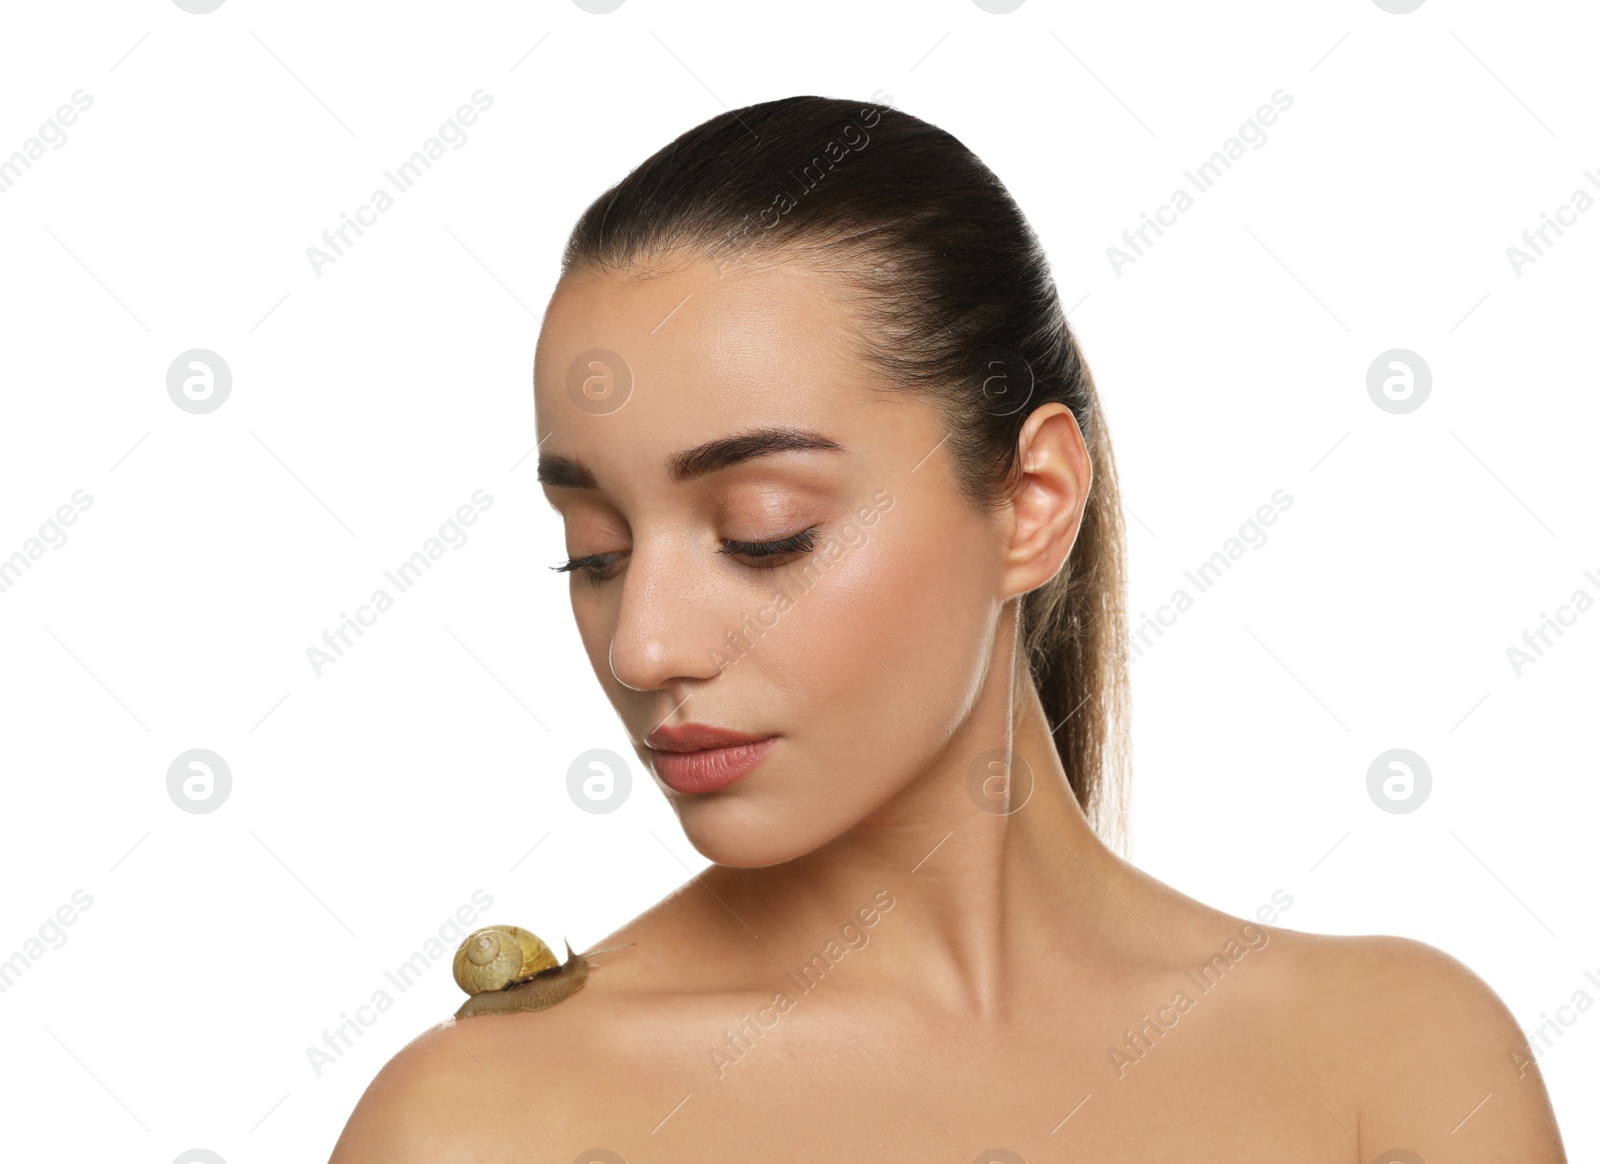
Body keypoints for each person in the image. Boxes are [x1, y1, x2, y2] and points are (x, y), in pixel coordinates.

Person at [329, 95, 1567, 1162]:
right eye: (592, 550)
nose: (643, 647)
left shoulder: (1395, 1066)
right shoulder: (480, 1122)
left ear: (1032, 503)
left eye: (763, 532)